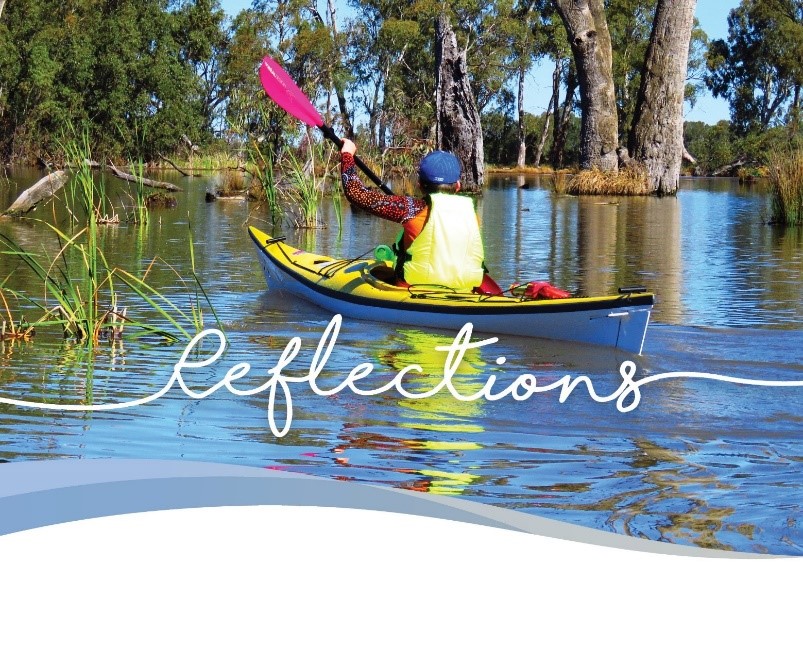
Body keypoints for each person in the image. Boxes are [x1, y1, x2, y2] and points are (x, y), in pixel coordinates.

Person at [340, 139, 500, 294]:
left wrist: (347, 154)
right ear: (457, 185)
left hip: (412, 292)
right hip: (463, 293)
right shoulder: (471, 214)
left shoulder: (410, 208)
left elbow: (356, 194)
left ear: (420, 185)